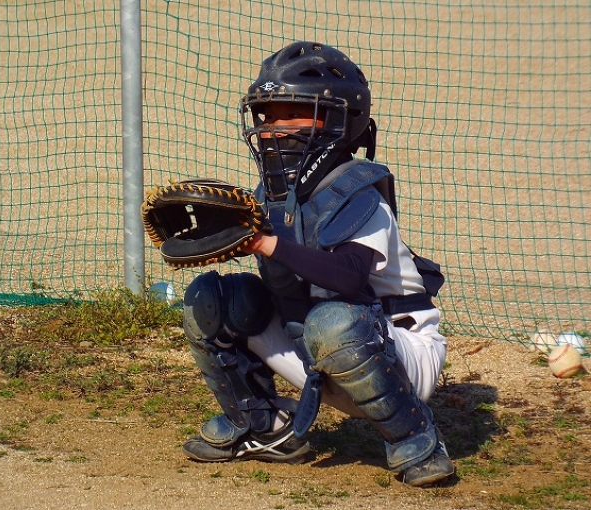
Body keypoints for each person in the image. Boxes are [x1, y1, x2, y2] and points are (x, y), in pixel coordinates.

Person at [180, 41, 454, 487]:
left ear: (338, 121)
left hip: (400, 353)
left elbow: (347, 277)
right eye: (268, 116)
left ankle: (416, 438)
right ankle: (262, 426)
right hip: (316, 347)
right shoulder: (274, 196)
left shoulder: (360, 195)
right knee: (212, 301)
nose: (273, 128)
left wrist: (265, 244)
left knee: (334, 322)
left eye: (292, 113)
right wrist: (223, 237)